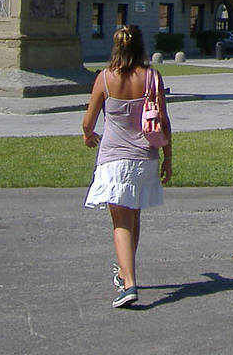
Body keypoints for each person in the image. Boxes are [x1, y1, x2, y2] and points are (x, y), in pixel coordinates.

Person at [81, 25, 172, 309]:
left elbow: (88, 121)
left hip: (114, 159)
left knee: (120, 223)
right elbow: (164, 121)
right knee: (133, 218)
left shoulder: (105, 79)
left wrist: (87, 136)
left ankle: (129, 284)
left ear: (116, 47)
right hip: (145, 157)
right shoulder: (151, 78)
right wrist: (168, 157)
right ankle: (124, 272)